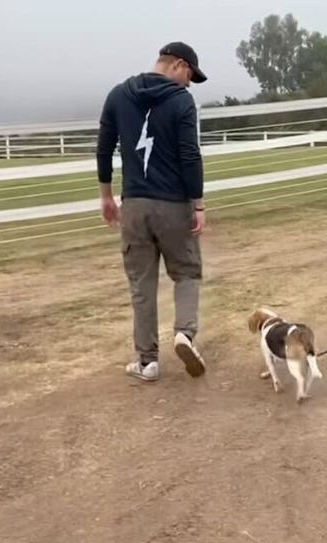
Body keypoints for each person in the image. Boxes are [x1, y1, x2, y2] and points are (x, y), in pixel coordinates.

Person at [95, 42, 209, 382]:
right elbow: (190, 155)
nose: (188, 84)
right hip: (173, 204)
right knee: (187, 271)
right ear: (177, 65)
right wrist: (198, 204)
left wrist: (106, 196)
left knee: (141, 284)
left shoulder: (118, 95)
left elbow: (103, 149)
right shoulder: (180, 100)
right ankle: (184, 335)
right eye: (189, 75)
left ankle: (147, 361)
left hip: (134, 205)